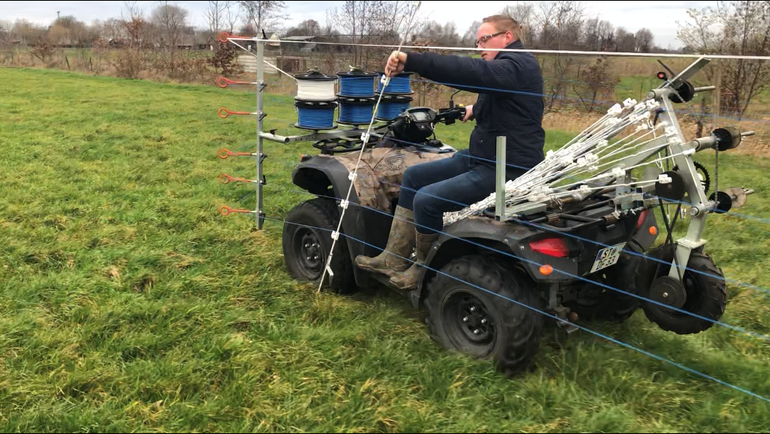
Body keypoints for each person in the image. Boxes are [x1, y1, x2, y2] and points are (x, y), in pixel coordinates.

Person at [355, 15, 545, 291]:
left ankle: (423, 268)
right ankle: (393, 258)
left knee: (428, 200)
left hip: (508, 165)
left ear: (507, 37)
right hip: (481, 156)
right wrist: (475, 109)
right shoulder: (506, 67)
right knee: (414, 176)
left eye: (485, 39)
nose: (480, 46)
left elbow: (471, 72)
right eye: (477, 40)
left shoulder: (518, 65)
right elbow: (509, 100)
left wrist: (412, 61)